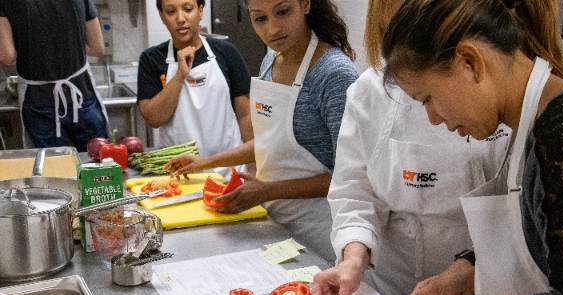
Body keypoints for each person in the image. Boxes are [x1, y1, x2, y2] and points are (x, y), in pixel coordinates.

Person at [358, 0, 563, 295]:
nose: (433, 118)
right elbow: (545, 238)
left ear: (470, 62)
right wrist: (469, 267)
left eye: (428, 98)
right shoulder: (525, 121)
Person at [311, 0, 509, 295]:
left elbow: (513, 216)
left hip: (481, 288)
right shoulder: (369, 92)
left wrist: (469, 269)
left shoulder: (492, 93)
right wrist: (353, 258)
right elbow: (354, 190)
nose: (433, 115)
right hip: (392, 285)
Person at [165, 0, 358, 261]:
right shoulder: (271, 59)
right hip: (274, 223)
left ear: (305, 4)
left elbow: (348, 178)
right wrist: (205, 162)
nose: (272, 29)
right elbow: (273, 143)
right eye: (260, 18)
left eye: (282, 12)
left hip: (323, 232)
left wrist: (267, 190)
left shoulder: (333, 73)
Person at [137, 0, 253, 178]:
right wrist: (180, 75)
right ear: (162, 16)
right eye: (170, 11)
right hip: (181, 174)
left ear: (200, 11)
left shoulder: (227, 53)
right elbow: (154, 118)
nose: (180, 18)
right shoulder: (151, 59)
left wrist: (254, 168)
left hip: (229, 171)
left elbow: (245, 116)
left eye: (188, 9)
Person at [0, 0, 109, 151]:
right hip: (81, 96)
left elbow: (7, 56)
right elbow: (98, 48)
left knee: (53, 169)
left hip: (39, 102)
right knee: (97, 166)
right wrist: (68, 45)